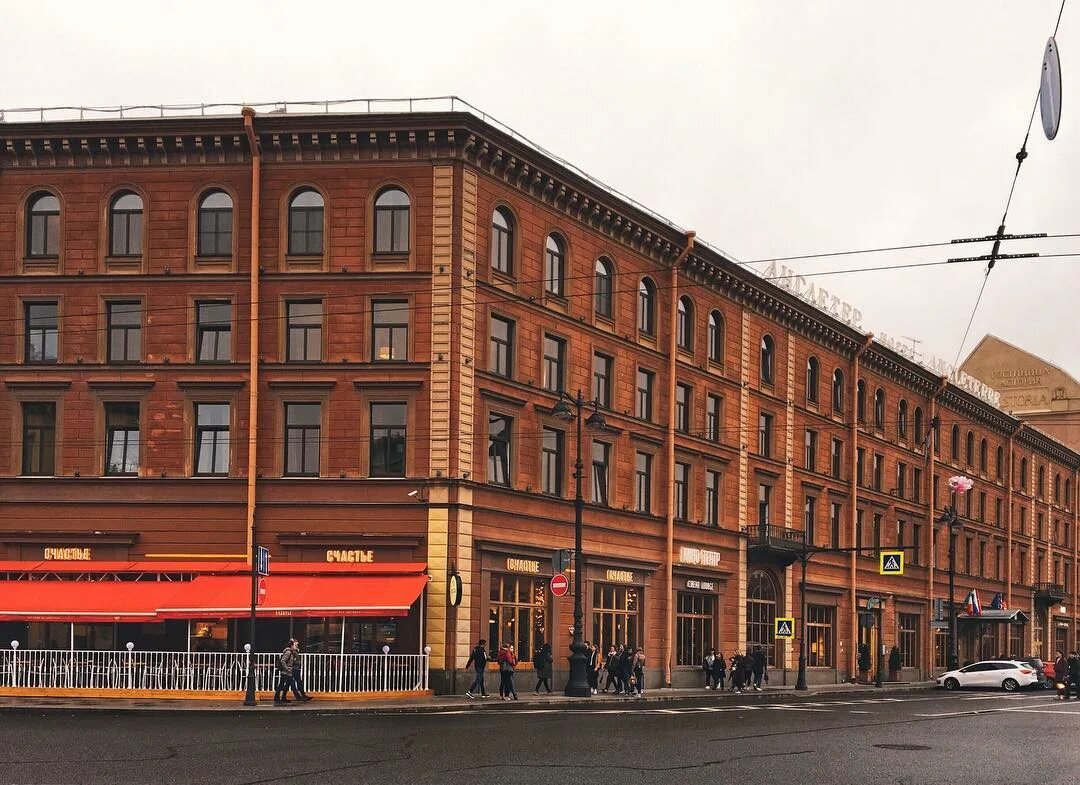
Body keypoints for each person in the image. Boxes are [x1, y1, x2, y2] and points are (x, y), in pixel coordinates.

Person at [273, 640, 295, 705]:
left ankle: (283, 697)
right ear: (291, 645)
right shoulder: (288, 652)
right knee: (282, 684)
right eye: (294, 645)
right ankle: (277, 698)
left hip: (288, 671)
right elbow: (283, 661)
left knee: (287, 684)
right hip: (286, 672)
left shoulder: (291, 652)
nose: (295, 646)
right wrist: (287, 668)